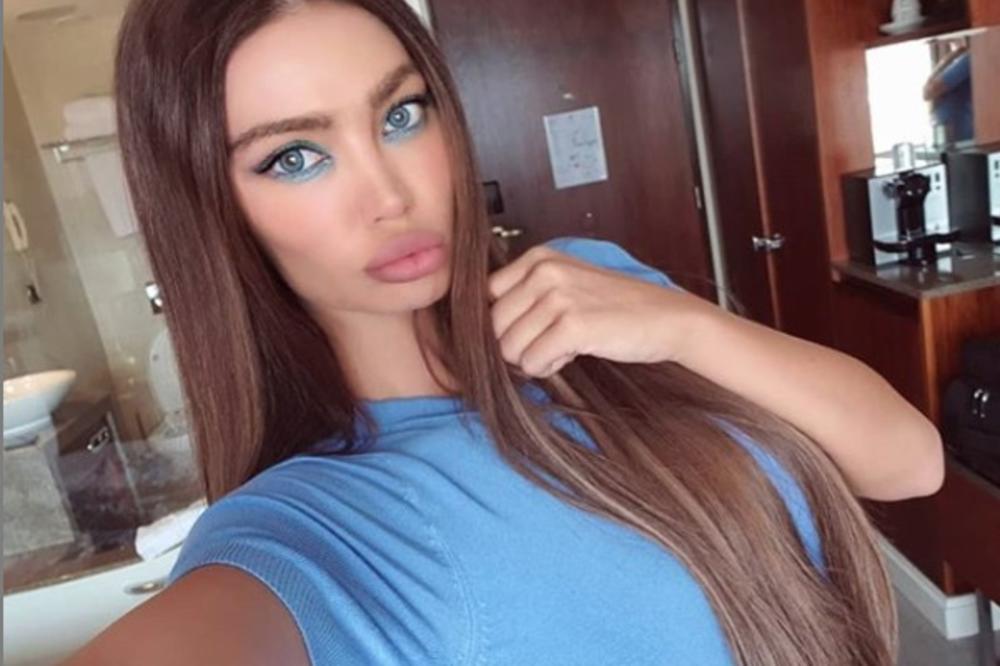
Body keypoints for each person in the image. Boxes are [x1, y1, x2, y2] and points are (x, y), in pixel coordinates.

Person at [65, 1, 944, 664]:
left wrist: (686, 324)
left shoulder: (592, 288)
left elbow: (909, 461)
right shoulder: (317, 526)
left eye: (401, 115)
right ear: (214, 212)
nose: (391, 194)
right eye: (296, 157)